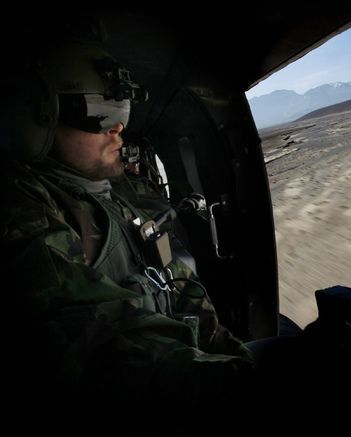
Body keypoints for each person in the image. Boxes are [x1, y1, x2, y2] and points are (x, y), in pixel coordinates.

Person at [0, 40, 258, 430]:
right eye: (97, 113)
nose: (119, 126)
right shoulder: (20, 204)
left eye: (119, 108)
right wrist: (239, 389)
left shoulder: (121, 193)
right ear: (37, 118)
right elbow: (88, 335)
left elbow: (178, 282)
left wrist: (234, 358)